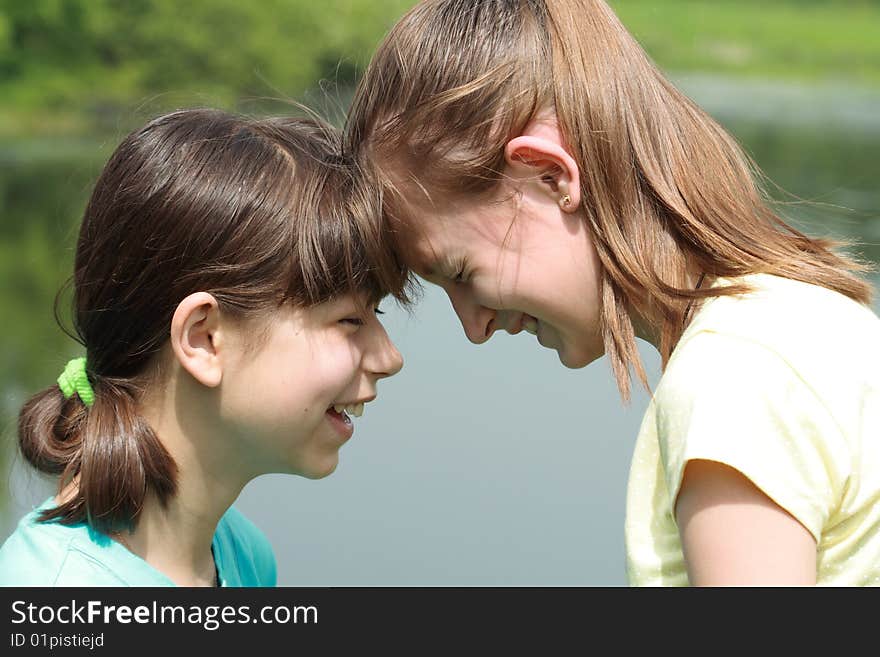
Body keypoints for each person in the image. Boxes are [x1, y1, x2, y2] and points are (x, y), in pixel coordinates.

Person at [343, 0, 880, 585]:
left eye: (463, 273)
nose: (474, 328)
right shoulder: (811, 317)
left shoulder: (729, 380)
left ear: (549, 178)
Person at [0, 108, 406, 586]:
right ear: (204, 338)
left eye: (375, 314)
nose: (390, 359)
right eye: (350, 320)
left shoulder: (243, 558)